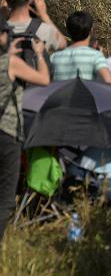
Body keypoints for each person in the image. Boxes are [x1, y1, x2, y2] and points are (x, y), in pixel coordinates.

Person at [0, 16, 50, 242]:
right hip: (6, 131)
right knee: (6, 197)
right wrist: (39, 53)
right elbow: (43, 80)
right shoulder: (9, 62)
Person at [2, 0, 67, 51]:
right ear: (32, 0)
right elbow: (62, 44)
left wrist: (2, 14)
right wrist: (44, 16)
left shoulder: (2, 31)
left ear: (6, 0)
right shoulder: (43, 30)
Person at [50, 11, 111, 82]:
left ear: (68, 30)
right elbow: (109, 83)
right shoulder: (95, 56)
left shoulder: (55, 57)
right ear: (91, 30)